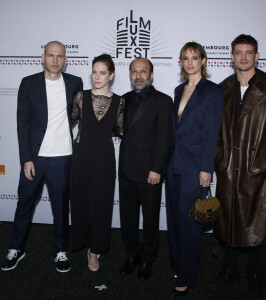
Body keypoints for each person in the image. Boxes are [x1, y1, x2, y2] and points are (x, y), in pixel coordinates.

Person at [212, 34, 266, 298]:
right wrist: (220, 160)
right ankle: (229, 271)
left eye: (249, 52)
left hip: (256, 169)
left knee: (258, 224)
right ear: (232, 56)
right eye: (238, 52)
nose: (243, 57)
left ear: (257, 56)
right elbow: (212, 131)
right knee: (228, 220)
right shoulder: (221, 89)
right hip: (227, 169)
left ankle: (257, 274)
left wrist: (265, 163)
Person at [1, 41, 83, 273]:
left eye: (59, 56)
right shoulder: (28, 83)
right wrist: (26, 159)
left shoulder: (75, 83)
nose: (55, 60)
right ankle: (16, 248)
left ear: (66, 60)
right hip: (35, 158)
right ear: (43, 57)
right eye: (50, 55)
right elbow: (22, 123)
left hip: (62, 157)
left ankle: (60, 250)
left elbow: (78, 114)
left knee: (60, 207)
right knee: (24, 204)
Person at [165, 42, 223, 297]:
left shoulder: (212, 91)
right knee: (174, 220)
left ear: (203, 60)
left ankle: (187, 276)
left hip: (194, 166)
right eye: (185, 58)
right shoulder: (179, 90)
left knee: (190, 222)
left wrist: (206, 169)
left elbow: (211, 132)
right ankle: (178, 265)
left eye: (194, 57)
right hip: (173, 163)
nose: (189, 62)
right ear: (181, 62)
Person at [118, 57, 173, 280]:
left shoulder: (163, 101)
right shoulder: (123, 99)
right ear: (130, 74)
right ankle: (132, 255)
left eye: (143, 71)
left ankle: (148, 260)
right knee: (127, 219)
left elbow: (165, 139)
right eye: (134, 71)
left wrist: (157, 169)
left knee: (150, 220)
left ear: (151, 75)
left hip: (150, 173)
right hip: (126, 171)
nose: (138, 75)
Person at [70, 54, 124, 272]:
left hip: (104, 159)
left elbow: (122, 130)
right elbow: (67, 122)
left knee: (102, 205)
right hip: (81, 157)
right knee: (81, 201)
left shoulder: (120, 101)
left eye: (102, 72)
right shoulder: (80, 97)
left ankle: (95, 250)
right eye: (94, 71)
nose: (97, 76)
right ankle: (82, 241)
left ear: (111, 75)